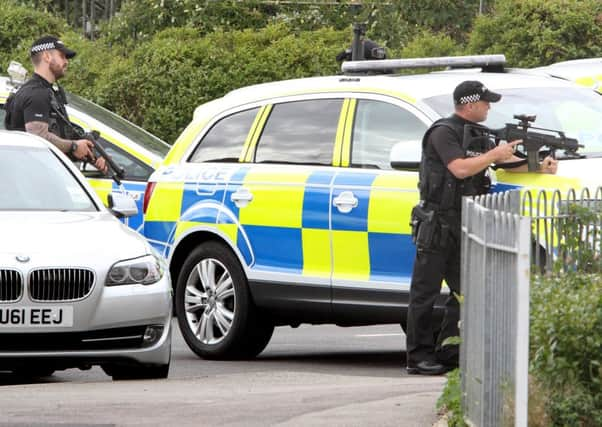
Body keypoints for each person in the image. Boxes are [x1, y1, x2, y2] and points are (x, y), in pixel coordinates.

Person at [405, 80, 558, 376]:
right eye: (486, 102)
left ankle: (450, 350)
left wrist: (539, 165)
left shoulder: (478, 135)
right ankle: (418, 356)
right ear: (470, 103)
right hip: (437, 222)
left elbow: (507, 162)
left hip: (466, 222)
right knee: (425, 291)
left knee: (468, 290)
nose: (489, 107)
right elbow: (460, 168)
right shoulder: (444, 132)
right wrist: (494, 155)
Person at [4, 35, 106, 172]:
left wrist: (90, 154)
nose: (66, 62)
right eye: (62, 56)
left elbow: (60, 135)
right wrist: (74, 146)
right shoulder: (37, 93)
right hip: (32, 179)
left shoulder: (47, 91)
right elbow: (37, 137)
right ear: (47, 56)